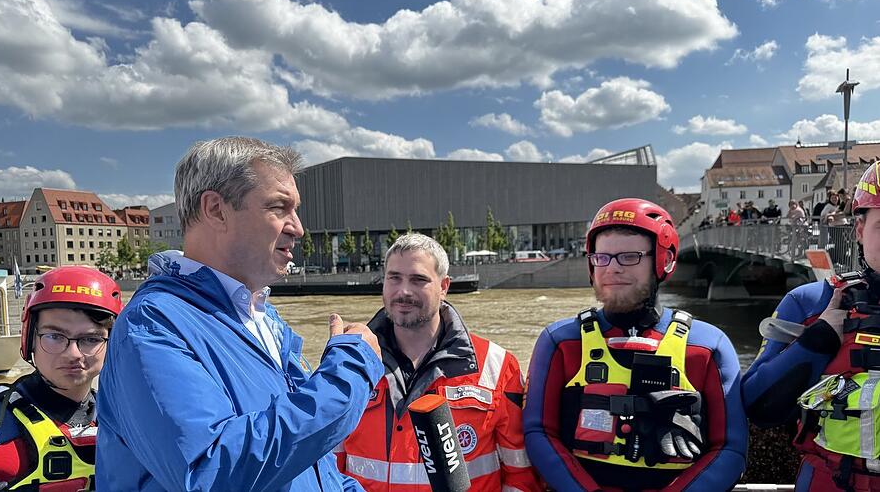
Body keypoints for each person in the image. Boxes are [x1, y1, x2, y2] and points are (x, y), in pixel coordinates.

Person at [96, 137, 384, 491]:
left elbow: (305, 466)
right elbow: (213, 471)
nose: (298, 227)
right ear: (216, 209)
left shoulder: (263, 318)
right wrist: (351, 370)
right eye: (280, 207)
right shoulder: (153, 325)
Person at [524, 198, 747, 491]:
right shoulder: (560, 341)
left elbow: (730, 448)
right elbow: (538, 431)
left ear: (663, 260)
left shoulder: (708, 347)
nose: (611, 269)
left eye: (629, 256)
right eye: (601, 257)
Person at [335, 233, 540, 491]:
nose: (403, 291)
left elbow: (520, 474)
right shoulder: (351, 362)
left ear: (444, 286)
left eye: (418, 280)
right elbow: (330, 467)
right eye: (394, 278)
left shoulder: (496, 367)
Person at [743, 164, 880, 491]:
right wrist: (814, 343)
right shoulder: (811, 303)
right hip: (832, 481)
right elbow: (757, 406)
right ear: (859, 230)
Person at [0, 266, 122, 491]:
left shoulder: (123, 421)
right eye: (54, 336)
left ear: (112, 344)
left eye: (91, 339)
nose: (73, 353)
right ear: (30, 339)